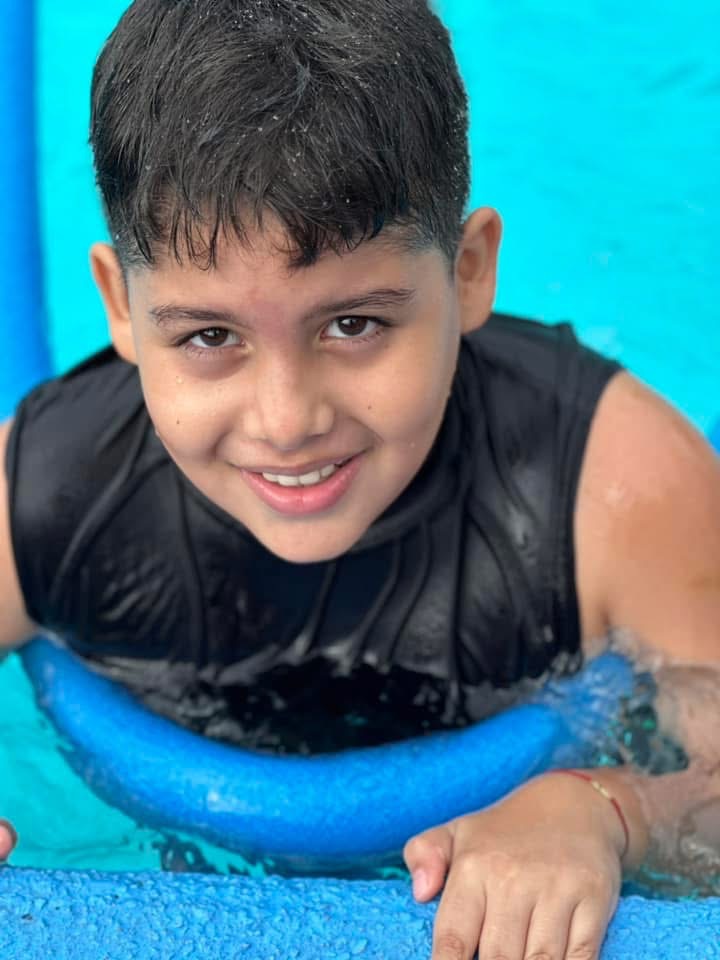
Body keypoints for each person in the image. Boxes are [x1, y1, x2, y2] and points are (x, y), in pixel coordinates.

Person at [1, 0, 719, 956]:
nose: (286, 419)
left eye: (354, 325)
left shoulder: (614, 488)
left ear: (468, 271)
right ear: (121, 307)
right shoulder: (47, 491)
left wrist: (603, 811)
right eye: (209, 336)